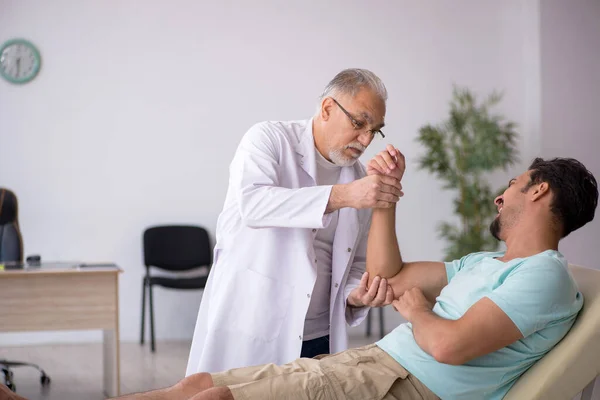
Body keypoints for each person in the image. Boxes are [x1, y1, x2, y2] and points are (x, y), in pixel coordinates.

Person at [110, 153, 597, 400]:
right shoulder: (484, 264)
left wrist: (418, 309)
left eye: (512, 185)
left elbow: (449, 346)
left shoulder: (545, 277)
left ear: (540, 191)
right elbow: (391, 274)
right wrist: (384, 197)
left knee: (215, 398)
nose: (499, 196)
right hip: (377, 365)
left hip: (404, 385)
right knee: (195, 383)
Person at [186, 68, 403, 375]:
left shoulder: (359, 179)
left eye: (375, 130)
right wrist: (343, 196)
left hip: (318, 336)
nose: (366, 139)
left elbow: (354, 264)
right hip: (253, 324)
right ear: (328, 108)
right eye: (359, 123)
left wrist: (357, 295)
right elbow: (254, 205)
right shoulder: (269, 139)